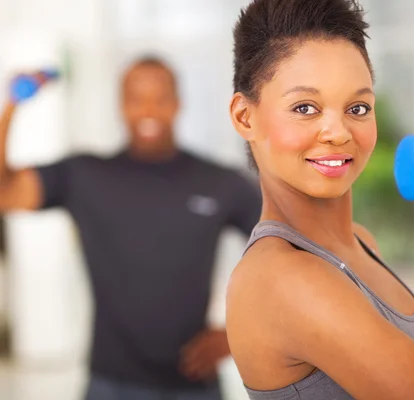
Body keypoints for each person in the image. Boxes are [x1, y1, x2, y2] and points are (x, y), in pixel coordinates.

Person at [225, 0, 414, 399]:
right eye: (305, 108)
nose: (337, 133)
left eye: (358, 107)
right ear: (244, 116)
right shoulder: (281, 278)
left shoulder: (360, 242)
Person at [0, 56, 262, 399]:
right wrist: (11, 106)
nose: (149, 110)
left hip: (194, 386)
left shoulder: (220, 182)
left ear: (178, 104)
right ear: (122, 106)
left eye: (160, 98)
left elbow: (289, 252)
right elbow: (5, 192)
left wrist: (239, 335)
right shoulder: (85, 176)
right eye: (137, 99)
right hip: (110, 385)